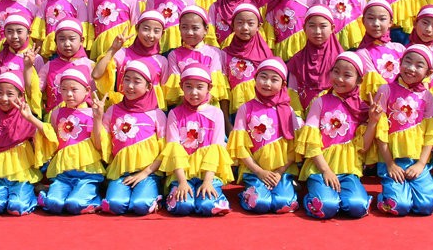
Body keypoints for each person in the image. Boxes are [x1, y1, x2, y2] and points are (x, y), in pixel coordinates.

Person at [297, 51, 374, 219]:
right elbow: (311, 141)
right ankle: (312, 198)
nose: (339, 79)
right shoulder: (320, 101)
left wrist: (373, 122)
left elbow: (363, 147)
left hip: (348, 169)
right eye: (336, 72)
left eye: (347, 75)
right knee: (326, 207)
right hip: (320, 168)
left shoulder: (362, 108)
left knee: (357, 207)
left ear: (359, 80)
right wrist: (326, 170)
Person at [372, 45, 433, 216]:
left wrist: (421, 164)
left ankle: (426, 193)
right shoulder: (386, 90)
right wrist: (390, 164)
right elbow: (380, 131)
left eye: (419, 65)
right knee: (400, 206)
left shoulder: (427, 96)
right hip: (392, 160)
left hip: (416, 160)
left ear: (428, 73)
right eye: (408, 62)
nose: (411, 68)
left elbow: (430, 133)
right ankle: (387, 197)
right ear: (400, 63)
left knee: (426, 207)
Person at [0, 72, 57, 216]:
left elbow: (49, 135)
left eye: (10, 94)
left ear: (20, 96)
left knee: (16, 207)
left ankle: (35, 195)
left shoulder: (25, 116)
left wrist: (30, 118)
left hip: (22, 175)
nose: (4, 98)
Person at [227, 58, 300, 214]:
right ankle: (246, 193)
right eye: (263, 77)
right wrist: (259, 171)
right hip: (254, 171)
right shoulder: (246, 108)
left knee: (284, 204)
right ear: (255, 78)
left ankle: (285, 187)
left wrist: (279, 172)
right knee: (260, 204)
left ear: (283, 84)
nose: (267, 83)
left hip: (281, 172)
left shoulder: (288, 111)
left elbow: (293, 148)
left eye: (274, 80)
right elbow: (240, 147)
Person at [95, 60, 167, 215]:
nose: (130, 86)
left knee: (140, 206)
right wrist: (98, 118)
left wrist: (145, 173)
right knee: (115, 205)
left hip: (148, 173)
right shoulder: (113, 110)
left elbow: (166, 151)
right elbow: (100, 145)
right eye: (126, 80)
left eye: (137, 81)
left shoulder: (156, 114)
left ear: (148, 86)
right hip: (121, 173)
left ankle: (157, 196)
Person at [161, 64, 233, 216]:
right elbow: (174, 148)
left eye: (200, 87)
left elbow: (216, 149)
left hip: (208, 173)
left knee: (207, 206)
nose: (194, 92)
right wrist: (182, 182)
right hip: (183, 173)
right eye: (188, 87)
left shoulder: (216, 113)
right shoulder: (175, 114)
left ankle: (216, 197)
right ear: (181, 86)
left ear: (209, 88)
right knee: (182, 206)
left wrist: (207, 181)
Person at [38, 69, 106, 215]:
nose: (69, 94)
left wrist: (98, 119)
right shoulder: (56, 113)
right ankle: (46, 196)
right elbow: (54, 142)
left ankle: (95, 199)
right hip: (63, 174)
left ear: (87, 90)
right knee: (54, 205)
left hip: (87, 173)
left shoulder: (93, 113)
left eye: (74, 90)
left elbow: (98, 145)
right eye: (64, 89)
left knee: (74, 205)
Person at [92, 11, 168, 110]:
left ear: (162, 34)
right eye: (146, 29)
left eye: (156, 31)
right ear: (137, 28)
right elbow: (96, 74)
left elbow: (163, 94)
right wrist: (113, 49)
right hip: (121, 110)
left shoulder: (161, 61)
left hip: (149, 112)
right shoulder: (123, 54)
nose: (150, 35)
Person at [164, 5, 226, 107]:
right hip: (184, 107)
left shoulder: (214, 53)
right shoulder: (174, 55)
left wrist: (201, 106)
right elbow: (177, 88)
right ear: (179, 28)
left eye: (195, 28)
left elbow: (215, 84)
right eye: (184, 27)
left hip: (209, 107)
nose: (189, 32)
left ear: (206, 29)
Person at [287, 6, 343, 114]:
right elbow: (293, 92)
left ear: (332, 28)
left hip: (334, 115)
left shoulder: (341, 60)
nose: (317, 31)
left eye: (323, 26)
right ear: (304, 28)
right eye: (312, 26)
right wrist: (298, 118)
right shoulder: (297, 60)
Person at [37, 19, 94, 119]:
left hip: (83, 118)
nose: (67, 44)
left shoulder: (89, 65)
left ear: (82, 40)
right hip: (54, 119)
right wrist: (28, 68)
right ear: (55, 41)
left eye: (72, 39)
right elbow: (36, 90)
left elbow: (95, 94)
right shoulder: (48, 66)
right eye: (62, 39)